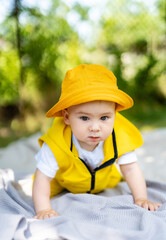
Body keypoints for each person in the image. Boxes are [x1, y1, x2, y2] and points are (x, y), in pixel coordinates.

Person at [32, 64, 162, 220]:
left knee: (118, 176)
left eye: (104, 118)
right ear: (66, 117)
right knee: (41, 186)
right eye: (85, 118)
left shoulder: (120, 137)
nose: (95, 127)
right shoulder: (56, 143)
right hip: (64, 182)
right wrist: (43, 209)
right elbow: (42, 178)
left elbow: (131, 169)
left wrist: (141, 198)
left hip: (105, 180)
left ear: (114, 114)